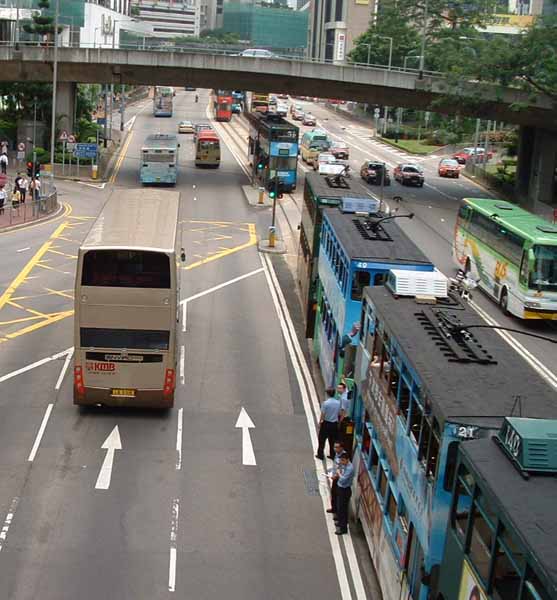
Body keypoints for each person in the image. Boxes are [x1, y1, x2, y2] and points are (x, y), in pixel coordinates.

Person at [316, 388, 341, 460]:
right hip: (334, 424)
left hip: (326, 423)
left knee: (322, 440)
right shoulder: (338, 403)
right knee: (332, 440)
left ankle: (320, 454)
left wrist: (320, 422)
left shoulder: (325, 403)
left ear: (327, 394)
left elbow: (323, 414)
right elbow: (339, 413)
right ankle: (332, 455)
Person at [334, 452, 355, 535]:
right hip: (341, 488)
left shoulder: (350, 468)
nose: (341, 462)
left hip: (345, 490)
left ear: (347, 460)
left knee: (342, 509)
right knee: (340, 508)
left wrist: (339, 473)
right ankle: (341, 522)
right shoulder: (344, 465)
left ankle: (343, 529)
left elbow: (343, 480)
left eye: (343, 460)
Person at [326, 441, 344, 516]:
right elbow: (335, 466)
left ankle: (338, 513)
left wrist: (335, 476)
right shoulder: (337, 454)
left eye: (337, 447)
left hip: (339, 480)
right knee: (333, 494)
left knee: (338, 497)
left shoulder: (343, 457)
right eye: (334, 447)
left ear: (341, 448)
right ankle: (334, 508)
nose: (335, 449)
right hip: (335, 478)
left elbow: (342, 469)